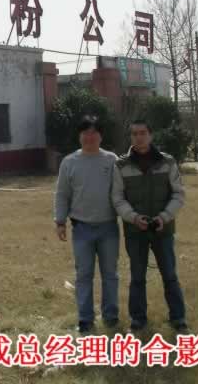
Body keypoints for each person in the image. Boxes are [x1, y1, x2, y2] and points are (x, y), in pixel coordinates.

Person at [111, 119, 189, 333]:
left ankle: (178, 317)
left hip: (164, 230)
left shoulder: (168, 162)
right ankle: (138, 319)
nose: (139, 137)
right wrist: (134, 218)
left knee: (170, 275)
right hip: (135, 231)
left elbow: (178, 194)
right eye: (134, 133)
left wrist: (164, 217)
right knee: (137, 277)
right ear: (131, 137)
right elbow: (117, 198)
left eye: (143, 133)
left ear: (151, 135)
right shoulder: (121, 166)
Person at [54, 115, 119, 334]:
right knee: (83, 275)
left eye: (94, 132)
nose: (89, 137)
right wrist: (60, 221)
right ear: (79, 136)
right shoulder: (69, 162)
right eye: (85, 133)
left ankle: (111, 315)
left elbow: (120, 192)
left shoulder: (111, 160)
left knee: (110, 274)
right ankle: (85, 318)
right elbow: (62, 194)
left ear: (101, 136)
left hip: (108, 227)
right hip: (81, 228)